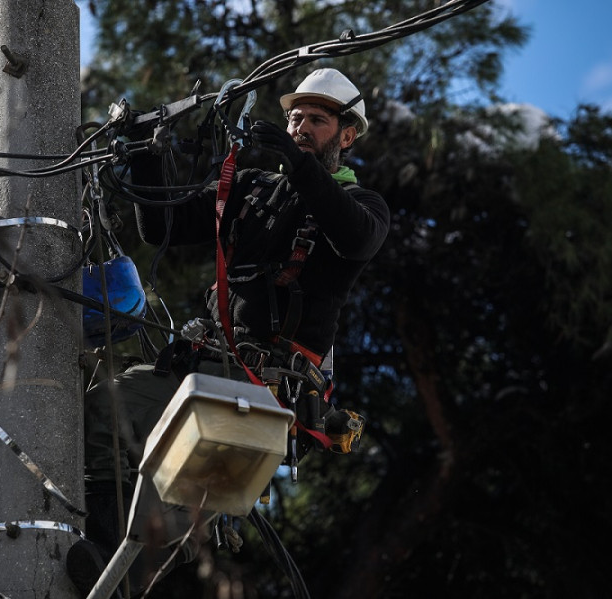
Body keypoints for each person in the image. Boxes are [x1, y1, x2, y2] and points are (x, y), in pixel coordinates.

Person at [67, 68, 390, 596]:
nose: (301, 127)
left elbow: (355, 239)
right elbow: (162, 226)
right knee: (104, 407)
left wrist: (300, 166)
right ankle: (105, 553)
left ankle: (128, 572)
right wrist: (146, 152)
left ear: (347, 135)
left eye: (317, 120)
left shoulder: (362, 206)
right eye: (295, 117)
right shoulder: (251, 190)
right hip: (205, 366)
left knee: (189, 474)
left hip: (265, 388)